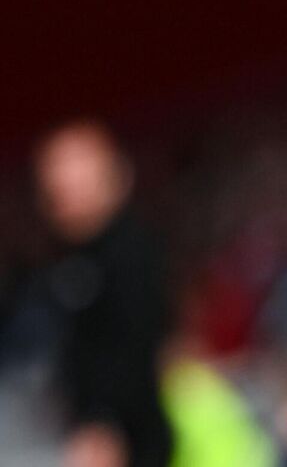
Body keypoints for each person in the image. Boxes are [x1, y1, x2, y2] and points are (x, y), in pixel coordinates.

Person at [34, 120, 173, 467]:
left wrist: (104, 423)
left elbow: (137, 353)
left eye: (73, 179)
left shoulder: (130, 254)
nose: (61, 193)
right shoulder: (68, 258)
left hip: (130, 440)